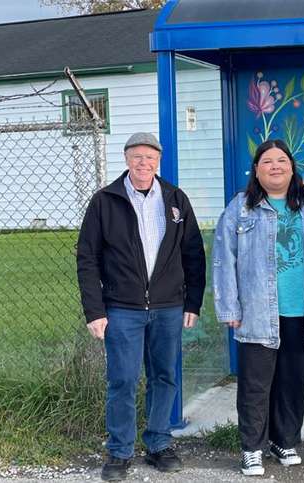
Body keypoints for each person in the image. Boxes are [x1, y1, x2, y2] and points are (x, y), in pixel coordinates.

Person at [76, 132, 206, 482]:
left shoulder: (175, 199)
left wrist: (192, 301)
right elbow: (87, 258)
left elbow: (193, 253)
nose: (143, 163)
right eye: (137, 157)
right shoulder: (105, 201)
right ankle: (119, 451)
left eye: (150, 157)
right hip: (122, 308)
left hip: (168, 306)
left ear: (158, 161)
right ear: (126, 159)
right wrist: (95, 310)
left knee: (164, 376)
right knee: (122, 379)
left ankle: (159, 443)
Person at [213, 139, 304, 477]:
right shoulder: (241, 208)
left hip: (303, 313)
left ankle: (285, 440)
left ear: (292, 168)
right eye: (268, 161)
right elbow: (224, 260)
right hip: (257, 312)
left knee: (294, 381)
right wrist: (229, 307)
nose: (276, 166)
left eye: (282, 160)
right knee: (255, 384)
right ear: (256, 170)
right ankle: (252, 447)